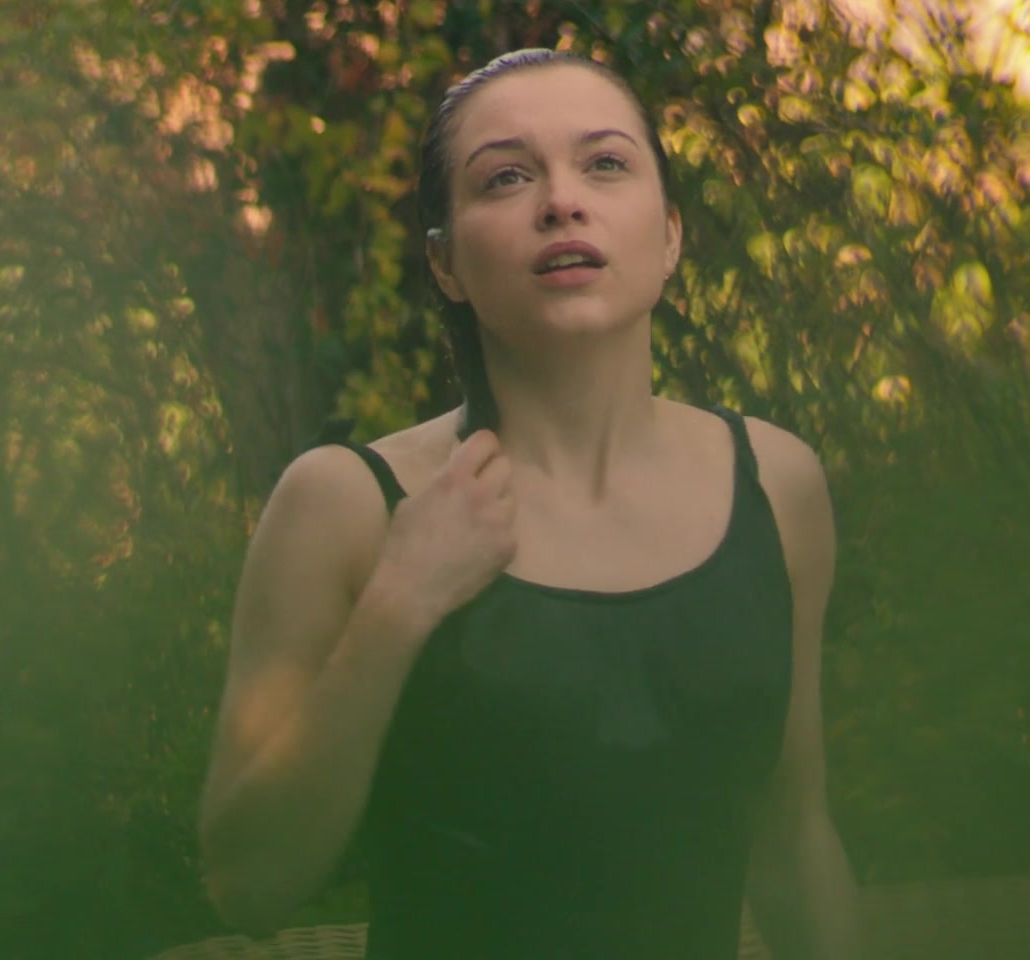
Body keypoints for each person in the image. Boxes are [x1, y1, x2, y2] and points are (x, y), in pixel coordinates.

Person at [197, 48, 861, 960]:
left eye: (605, 163)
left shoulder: (778, 484)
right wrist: (399, 602)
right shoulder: (344, 504)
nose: (561, 201)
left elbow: (796, 842)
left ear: (670, 236)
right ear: (446, 263)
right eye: (506, 178)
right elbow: (249, 886)